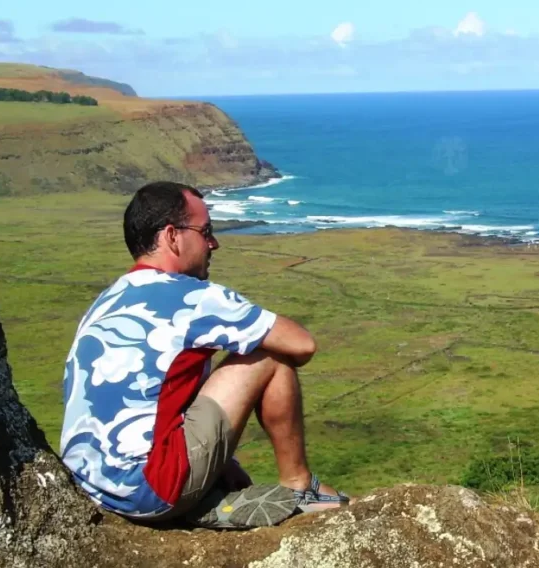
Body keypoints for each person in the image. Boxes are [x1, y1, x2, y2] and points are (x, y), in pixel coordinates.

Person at [59, 181, 352, 529]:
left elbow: (154, 398)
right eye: (206, 231)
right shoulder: (194, 297)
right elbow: (302, 345)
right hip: (150, 489)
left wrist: (222, 463)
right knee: (269, 355)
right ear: (172, 236)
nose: (214, 243)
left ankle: (207, 492)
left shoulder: (106, 300)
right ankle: (300, 486)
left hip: (90, 484)